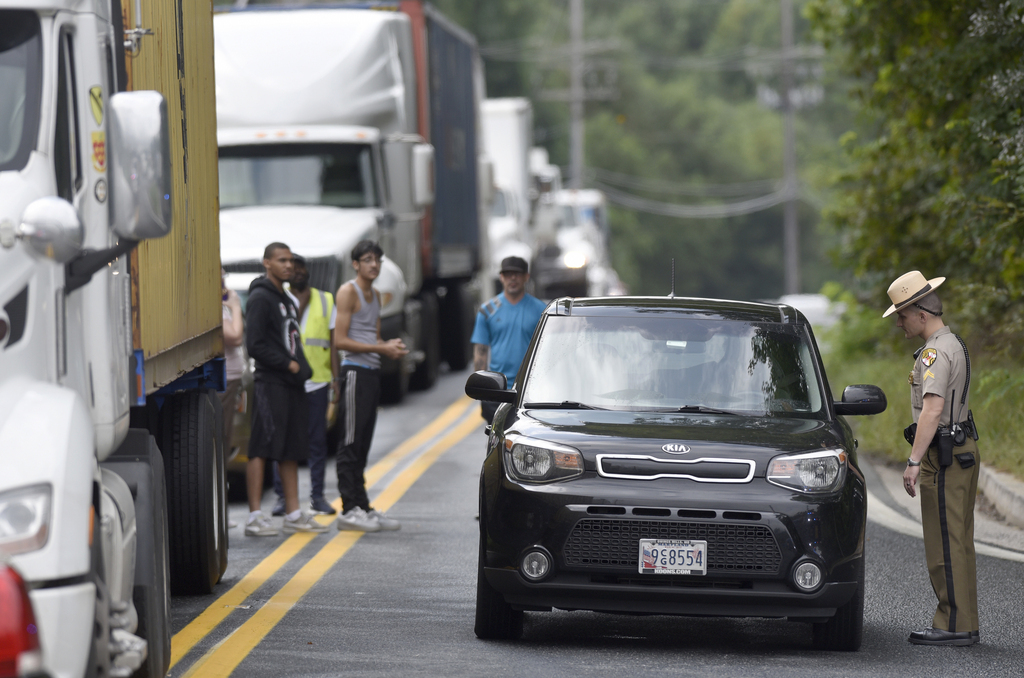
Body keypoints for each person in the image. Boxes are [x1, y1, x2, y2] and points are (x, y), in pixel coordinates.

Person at [884, 270, 981, 646]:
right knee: (960, 540)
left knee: (944, 542)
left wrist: (912, 461)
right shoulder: (953, 342)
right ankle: (964, 621)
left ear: (921, 313)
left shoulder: (934, 352)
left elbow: (932, 409)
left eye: (902, 315)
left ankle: (952, 624)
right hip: (962, 448)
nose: (899, 322)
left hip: (944, 456)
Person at [244, 242, 328, 537]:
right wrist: (288, 365)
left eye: (291, 261)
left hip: (292, 384)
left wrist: (302, 368)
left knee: (291, 447)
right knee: (262, 446)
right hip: (271, 382)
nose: (289, 265)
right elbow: (254, 344)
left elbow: (293, 339)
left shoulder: (287, 298)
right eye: (281, 260)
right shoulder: (260, 298)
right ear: (267, 263)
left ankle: (293, 513)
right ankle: (255, 515)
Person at [333, 241, 408, 532]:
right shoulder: (348, 291)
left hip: (372, 373)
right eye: (367, 260)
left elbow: (373, 339)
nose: (373, 265)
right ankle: (349, 509)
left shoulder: (376, 295)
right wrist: (380, 349)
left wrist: (389, 346)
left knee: (363, 443)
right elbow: (340, 340)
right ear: (355, 264)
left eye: (377, 260)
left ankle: (363, 506)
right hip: (354, 373)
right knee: (350, 442)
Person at [270, 255, 340, 517]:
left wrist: (336, 379)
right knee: (284, 442)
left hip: (318, 382)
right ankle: (282, 498)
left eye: (301, 268)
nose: (297, 272)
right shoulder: (281, 300)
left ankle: (317, 497)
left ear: (307, 272)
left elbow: (333, 344)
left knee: (317, 442)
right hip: (288, 382)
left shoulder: (325, 299)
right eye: (293, 269)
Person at [471, 256, 547, 424]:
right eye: (508, 274)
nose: (512, 278)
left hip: (532, 390)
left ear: (526, 277)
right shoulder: (487, 310)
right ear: (501, 278)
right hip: (499, 390)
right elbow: (480, 350)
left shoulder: (541, 311)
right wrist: (481, 388)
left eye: (517, 274)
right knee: (497, 443)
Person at [220, 268, 245, 529]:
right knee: (222, 443)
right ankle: (220, 513)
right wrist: (236, 306)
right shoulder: (221, 305)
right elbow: (235, 336)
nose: (224, 278)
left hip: (232, 378)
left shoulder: (222, 302)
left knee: (225, 442)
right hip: (225, 380)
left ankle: (222, 512)